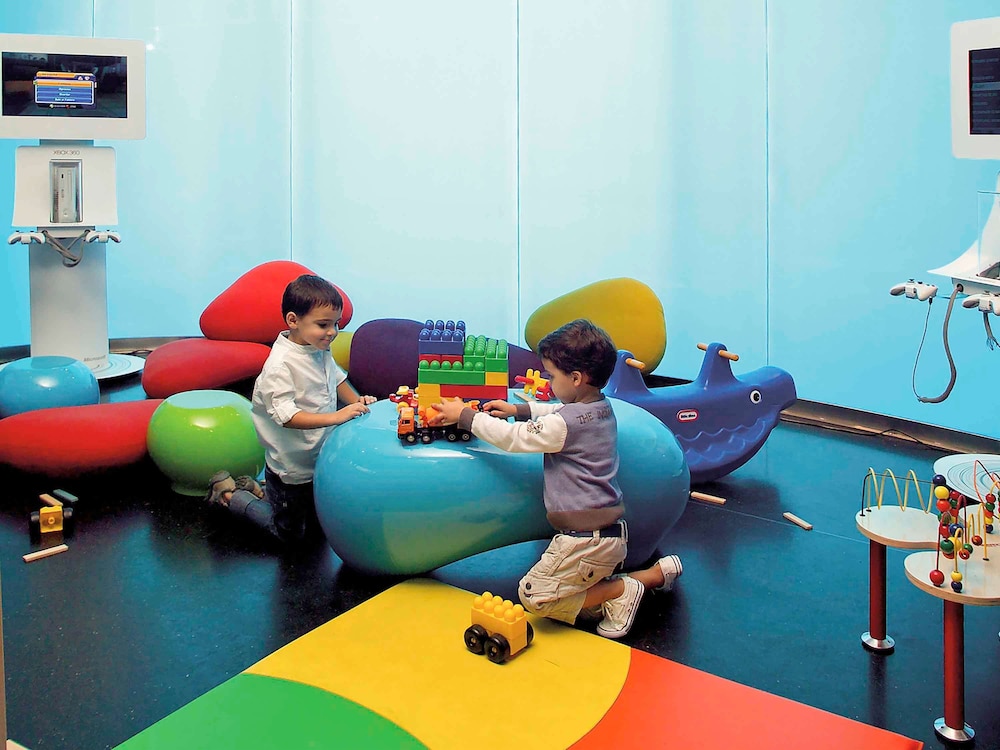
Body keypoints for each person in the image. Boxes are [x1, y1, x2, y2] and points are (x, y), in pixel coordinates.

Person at [431, 318, 682, 639]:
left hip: (584, 541)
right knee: (575, 599)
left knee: (535, 595)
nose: (549, 383)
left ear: (576, 378)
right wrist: (519, 410)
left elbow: (514, 439)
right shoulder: (601, 407)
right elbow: (558, 413)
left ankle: (621, 590)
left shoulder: (566, 425)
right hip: (606, 535)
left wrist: (466, 416)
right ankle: (651, 577)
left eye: (552, 375)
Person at [205, 274, 377, 543]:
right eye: (323, 324)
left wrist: (356, 401)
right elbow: (286, 416)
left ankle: (260, 492)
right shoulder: (280, 365)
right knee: (288, 534)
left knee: (316, 524)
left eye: (336, 324)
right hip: (292, 467)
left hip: (317, 454)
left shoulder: (317, 347)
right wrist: (336, 416)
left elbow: (336, 377)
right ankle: (232, 496)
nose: (332, 332)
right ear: (293, 320)